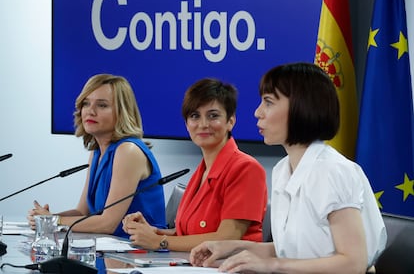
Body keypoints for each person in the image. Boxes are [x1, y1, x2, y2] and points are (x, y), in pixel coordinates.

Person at [190, 62, 387, 273]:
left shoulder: (332, 171)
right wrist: (234, 248)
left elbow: (352, 263)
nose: (258, 112)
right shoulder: (283, 169)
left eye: (268, 102)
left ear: (301, 106)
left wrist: (272, 265)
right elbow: (298, 251)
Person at [122, 78, 268, 251]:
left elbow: (227, 238)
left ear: (231, 121)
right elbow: (188, 234)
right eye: (194, 116)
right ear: (186, 124)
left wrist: (159, 242)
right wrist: (153, 233)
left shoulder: (246, 168)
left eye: (213, 116)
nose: (203, 124)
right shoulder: (202, 170)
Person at [27, 74, 166, 238]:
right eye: (86, 104)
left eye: (102, 105)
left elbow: (108, 223)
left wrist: (55, 220)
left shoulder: (128, 151)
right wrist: (45, 218)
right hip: (112, 249)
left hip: (143, 254)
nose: (90, 111)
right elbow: (82, 211)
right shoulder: (98, 151)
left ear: (122, 112)